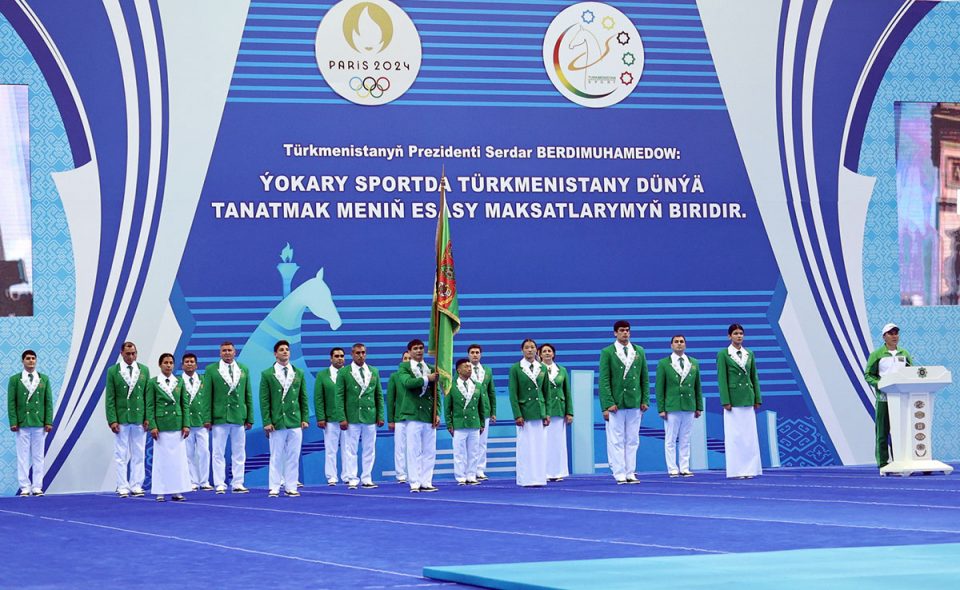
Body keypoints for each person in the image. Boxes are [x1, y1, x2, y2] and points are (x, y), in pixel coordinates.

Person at [598, 321, 648, 484]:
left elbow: (644, 378)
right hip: (617, 403)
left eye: (627, 330)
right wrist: (608, 403)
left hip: (634, 401)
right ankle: (619, 472)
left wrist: (645, 399)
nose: (625, 333)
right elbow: (604, 380)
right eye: (621, 330)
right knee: (617, 439)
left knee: (633, 439)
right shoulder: (608, 352)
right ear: (615, 333)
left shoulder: (638, 351)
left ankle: (630, 472)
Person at [260, 339, 309, 497]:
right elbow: (264, 400)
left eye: (287, 349)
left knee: (293, 455)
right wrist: (267, 421)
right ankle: (274, 486)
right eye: (281, 350)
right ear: (275, 354)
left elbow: (303, 397)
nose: (285, 352)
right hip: (277, 421)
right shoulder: (268, 374)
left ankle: (291, 486)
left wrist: (305, 418)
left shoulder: (298, 372)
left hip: (295, 420)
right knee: (276, 455)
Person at [204, 341, 253, 494]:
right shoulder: (211, 370)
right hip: (220, 416)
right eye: (224, 350)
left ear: (234, 352)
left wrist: (249, 417)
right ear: (220, 353)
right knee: (218, 452)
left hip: (238, 416)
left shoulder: (243, 369)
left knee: (239, 451)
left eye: (229, 350)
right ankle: (219, 483)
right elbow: (207, 396)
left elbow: (248, 394)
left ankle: (238, 482)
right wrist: (207, 418)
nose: (227, 353)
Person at [863, 323, 914, 469]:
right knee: (882, 431)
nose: (894, 336)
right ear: (884, 337)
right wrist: (880, 384)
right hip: (884, 399)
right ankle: (883, 462)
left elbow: (911, 372)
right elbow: (868, 375)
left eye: (896, 333)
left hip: (901, 398)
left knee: (901, 430)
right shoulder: (877, 354)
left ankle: (900, 460)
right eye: (891, 333)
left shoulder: (904, 353)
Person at [105, 341, 150, 497]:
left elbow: (147, 396)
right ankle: (122, 485)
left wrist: (147, 418)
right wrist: (112, 420)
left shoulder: (144, 370)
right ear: (121, 354)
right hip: (122, 418)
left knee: (139, 453)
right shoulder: (113, 371)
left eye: (133, 353)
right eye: (128, 354)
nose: (131, 356)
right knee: (121, 454)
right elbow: (110, 397)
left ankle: (136, 485)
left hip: (139, 418)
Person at [717, 323, 762, 479]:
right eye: (735, 333)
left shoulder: (749, 353)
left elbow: (754, 377)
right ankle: (736, 470)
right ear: (729, 336)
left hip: (748, 398)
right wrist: (725, 400)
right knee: (735, 437)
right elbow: (722, 379)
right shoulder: (724, 354)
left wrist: (757, 398)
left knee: (749, 436)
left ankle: (750, 469)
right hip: (733, 400)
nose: (739, 336)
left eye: (741, 333)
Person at [337, 343, 384, 490]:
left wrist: (380, 415)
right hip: (352, 416)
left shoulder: (373, 371)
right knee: (351, 449)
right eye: (358, 353)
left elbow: (378, 395)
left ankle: (367, 477)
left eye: (363, 352)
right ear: (352, 354)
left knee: (369, 448)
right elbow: (339, 396)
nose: (361, 355)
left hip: (370, 415)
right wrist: (342, 417)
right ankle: (352, 478)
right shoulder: (344, 372)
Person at [655, 335, 703, 477]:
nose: (679, 344)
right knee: (670, 439)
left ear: (685, 345)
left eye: (681, 342)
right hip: (672, 406)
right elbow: (659, 388)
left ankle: (684, 467)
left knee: (685, 439)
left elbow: (697, 386)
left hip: (689, 405)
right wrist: (661, 408)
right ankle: (672, 468)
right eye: (676, 342)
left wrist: (698, 406)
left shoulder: (693, 362)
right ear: (671, 345)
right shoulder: (664, 363)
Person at [396, 339, 440, 493]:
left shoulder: (431, 368)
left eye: (421, 348)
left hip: (428, 414)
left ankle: (426, 481)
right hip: (413, 414)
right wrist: (427, 379)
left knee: (429, 450)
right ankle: (414, 481)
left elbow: (436, 393)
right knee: (413, 449)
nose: (419, 351)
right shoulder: (404, 367)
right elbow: (408, 383)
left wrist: (437, 413)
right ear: (409, 351)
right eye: (415, 348)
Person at [146, 353, 191, 502]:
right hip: (161, 425)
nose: (168, 365)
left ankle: (177, 491)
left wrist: (186, 424)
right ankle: (160, 491)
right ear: (160, 365)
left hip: (177, 424)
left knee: (178, 461)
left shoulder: (179, 382)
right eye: (165, 362)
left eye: (171, 362)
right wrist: (153, 426)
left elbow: (184, 404)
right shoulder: (153, 382)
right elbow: (150, 406)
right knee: (161, 461)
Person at [8, 349, 53, 496]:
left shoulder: (44, 379)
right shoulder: (15, 379)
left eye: (33, 358)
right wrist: (13, 421)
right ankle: (25, 487)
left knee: (38, 456)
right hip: (22, 423)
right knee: (23, 457)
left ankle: (37, 487)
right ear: (23, 361)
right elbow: (11, 402)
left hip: (39, 423)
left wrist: (48, 421)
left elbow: (48, 402)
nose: (31, 361)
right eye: (28, 358)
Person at [509, 339, 549, 487]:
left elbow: (547, 392)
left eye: (532, 347)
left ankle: (539, 478)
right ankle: (525, 478)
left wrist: (547, 413)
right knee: (525, 448)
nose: (530, 350)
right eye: (526, 347)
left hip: (539, 411)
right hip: (525, 413)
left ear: (536, 350)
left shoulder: (542, 368)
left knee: (539, 447)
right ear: (522, 350)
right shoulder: (516, 368)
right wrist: (517, 414)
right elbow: (513, 394)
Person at [446, 358, 485, 485]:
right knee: (459, 452)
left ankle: (471, 475)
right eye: (466, 367)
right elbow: (448, 407)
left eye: (470, 367)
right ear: (458, 370)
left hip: (474, 423)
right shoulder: (452, 386)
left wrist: (482, 423)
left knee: (473, 452)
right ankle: (460, 476)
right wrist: (449, 424)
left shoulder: (477, 385)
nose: (469, 369)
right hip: (459, 424)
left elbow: (481, 407)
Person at [539, 343, 572, 482]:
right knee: (544, 443)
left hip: (558, 410)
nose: (547, 353)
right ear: (540, 354)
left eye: (549, 351)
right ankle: (543, 472)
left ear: (553, 354)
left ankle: (557, 472)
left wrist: (569, 412)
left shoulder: (561, 370)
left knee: (557, 443)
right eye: (544, 351)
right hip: (543, 411)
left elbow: (567, 392)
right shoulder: (537, 369)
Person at [315, 347, 346, 486]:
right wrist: (321, 417)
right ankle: (331, 477)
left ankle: (347, 475)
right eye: (336, 356)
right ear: (331, 358)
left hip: (348, 418)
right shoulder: (322, 375)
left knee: (348, 449)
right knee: (331, 449)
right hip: (330, 418)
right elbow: (319, 398)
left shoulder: (350, 374)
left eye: (342, 356)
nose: (340, 358)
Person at [181, 353, 212, 491]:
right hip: (186, 423)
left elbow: (210, 400)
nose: (189, 364)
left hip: (202, 422)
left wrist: (208, 418)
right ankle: (192, 481)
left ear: (196, 365)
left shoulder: (203, 380)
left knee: (204, 452)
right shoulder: (178, 382)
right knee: (189, 454)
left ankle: (204, 481)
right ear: (182, 365)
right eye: (187, 362)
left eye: (192, 361)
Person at [468, 344, 496, 481]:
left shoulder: (487, 370)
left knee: (482, 442)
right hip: (470, 410)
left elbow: (491, 392)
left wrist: (493, 411)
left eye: (477, 352)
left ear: (481, 355)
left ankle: (480, 469)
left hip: (484, 410)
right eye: (472, 352)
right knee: (470, 442)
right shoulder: (463, 369)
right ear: (468, 355)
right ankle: (469, 470)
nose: (475, 355)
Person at [386, 351, 411, 484]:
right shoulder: (395, 377)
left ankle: (413, 473)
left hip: (416, 418)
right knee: (400, 447)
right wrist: (391, 420)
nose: (407, 361)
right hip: (400, 418)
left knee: (414, 448)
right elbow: (391, 400)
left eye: (409, 358)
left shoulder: (419, 376)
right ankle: (401, 474)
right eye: (405, 358)